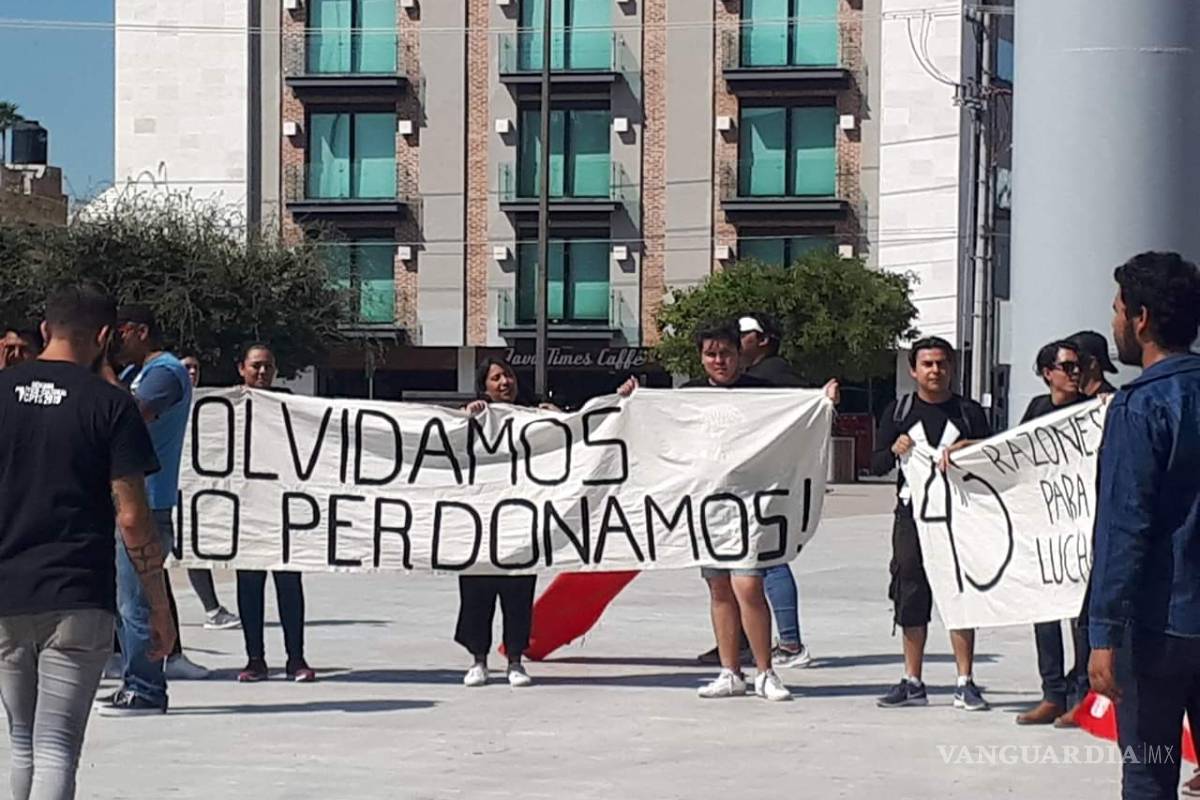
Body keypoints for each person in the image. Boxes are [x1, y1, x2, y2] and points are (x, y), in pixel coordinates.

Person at [0, 285, 174, 797]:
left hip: (6, 591)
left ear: (45, 330)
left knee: (22, 742)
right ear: (103, 337)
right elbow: (132, 518)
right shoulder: (111, 406)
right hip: (77, 592)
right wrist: (158, 607)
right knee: (57, 746)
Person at [619, 321, 794, 701]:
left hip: (749, 505)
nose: (719, 361)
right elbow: (658, 427)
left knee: (749, 584)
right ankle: (730, 671)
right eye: (711, 354)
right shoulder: (689, 395)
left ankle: (765, 671)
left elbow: (798, 415)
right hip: (708, 507)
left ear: (739, 356)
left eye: (726, 353)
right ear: (701, 358)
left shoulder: (763, 395)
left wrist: (823, 399)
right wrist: (635, 399)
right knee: (719, 588)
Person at [1087, 251, 1200, 799]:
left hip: (1160, 626)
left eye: (1116, 310)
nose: (1114, 324)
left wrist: (1103, 635)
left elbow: (1124, 528)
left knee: (1151, 768)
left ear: (1142, 318)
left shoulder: (1141, 406)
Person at [871, 336, 992, 711]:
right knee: (910, 590)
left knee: (960, 592)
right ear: (913, 370)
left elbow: (994, 460)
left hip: (960, 516)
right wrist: (894, 450)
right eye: (927, 364)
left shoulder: (969, 413)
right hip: (912, 516)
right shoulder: (898, 410)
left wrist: (968, 448)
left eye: (942, 363)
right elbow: (875, 464)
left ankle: (965, 680)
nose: (935, 370)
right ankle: (912, 679)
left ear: (952, 367)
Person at [93, 304, 203, 713]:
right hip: (125, 500)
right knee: (124, 602)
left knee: (136, 602)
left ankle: (146, 687)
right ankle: (133, 678)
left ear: (139, 331)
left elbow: (127, 415)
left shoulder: (165, 372)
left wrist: (102, 365)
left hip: (150, 502)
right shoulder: (132, 374)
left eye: (119, 335)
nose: (116, 343)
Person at [1014, 340, 1091, 726]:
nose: (1075, 373)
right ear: (1048, 373)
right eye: (1067, 367)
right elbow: (1013, 453)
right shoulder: (1038, 410)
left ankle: (1082, 695)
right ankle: (1052, 694)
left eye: (1077, 366)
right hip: (1046, 528)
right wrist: (966, 449)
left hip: (1082, 527)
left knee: (1080, 616)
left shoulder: (1094, 409)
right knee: (1043, 612)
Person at [456, 358, 543, 688]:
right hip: (480, 524)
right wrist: (466, 417)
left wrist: (554, 416)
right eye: (496, 378)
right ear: (485, 385)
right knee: (477, 592)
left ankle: (515, 660)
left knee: (518, 593)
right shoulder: (472, 416)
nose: (504, 382)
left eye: (507, 375)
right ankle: (478, 660)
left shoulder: (535, 416)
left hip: (521, 522)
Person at [233, 344, 315, 683]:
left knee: (289, 585)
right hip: (246, 510)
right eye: (256, 366)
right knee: (249, 586)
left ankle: (296, 658)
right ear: (242, 369)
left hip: (284, 510)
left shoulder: (291, 405)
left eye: (268, 366)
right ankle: (255, 659)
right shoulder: (226, 407)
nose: (262, 372)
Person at [176, 353, 240, 631]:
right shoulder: (159, 399)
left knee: (193, 549)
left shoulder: (210, 403)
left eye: (196, 368)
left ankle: (212, 609)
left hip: (196, 491)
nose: (192, 372)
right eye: (186, 367)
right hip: (167, 489)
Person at [1068, 330, 1119, 398]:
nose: (1071, 370)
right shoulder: (1073, 400)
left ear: (1092, 363)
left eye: (1075, 362)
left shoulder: (1111, 399)